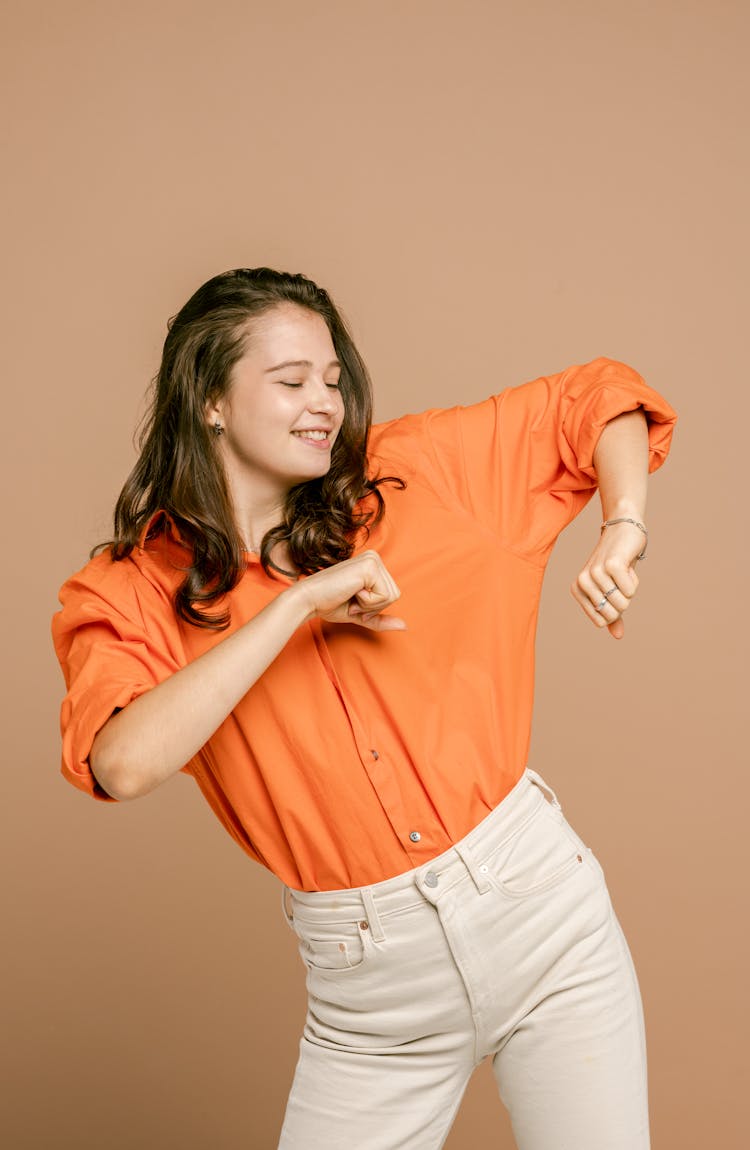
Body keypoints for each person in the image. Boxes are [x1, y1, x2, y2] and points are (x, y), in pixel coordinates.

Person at [52, 267, 677, 1150]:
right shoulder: (128, 589)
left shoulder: (412, 472)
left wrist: (624, 528)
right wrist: (295, 607)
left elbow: (601, 398)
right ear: (210, 400)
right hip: (373, 994)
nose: (325, 404)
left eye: (334, 379)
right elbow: (121, 761)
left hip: (544, 917)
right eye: (291, 381)